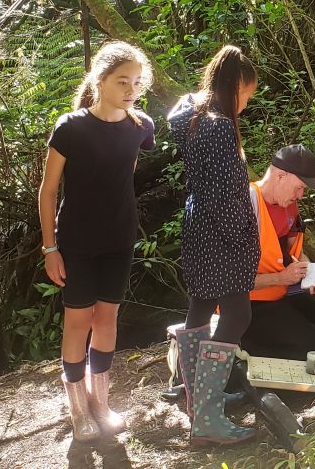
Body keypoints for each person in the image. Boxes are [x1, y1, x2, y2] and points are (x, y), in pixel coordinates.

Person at [38, 42, 155, 442]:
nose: (131, 90)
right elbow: (48, 190)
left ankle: (100, 402)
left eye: (137, 82)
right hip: (77, 242)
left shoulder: (141, 127)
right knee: (77, 322)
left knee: (107, 320)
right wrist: (50, 248)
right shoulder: (70, 127)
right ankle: (77, 409)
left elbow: (123, 178)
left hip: (120, 239)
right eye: (122, 81)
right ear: (99, 80)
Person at [167, 44, 260, 444]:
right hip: (221, 234)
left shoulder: (190, 115)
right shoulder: (220, 127)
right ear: (235, 85)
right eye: (246, 96)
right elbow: (225, 196)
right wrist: (246, 239)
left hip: (197, 226)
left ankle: (198, 401)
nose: (245, 105)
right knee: (237, 316)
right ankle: (207, 418)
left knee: (201, 308)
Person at [240, 144, 315, 360]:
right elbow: (230, 279)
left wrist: (314, 276)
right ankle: (240, 347)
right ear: (281, 175)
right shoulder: (245, 205)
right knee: (314, 350)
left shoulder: (290, 206)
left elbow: (296, 252)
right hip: (249, 302)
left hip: (284, 292)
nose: (300, 195)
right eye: (299, 187)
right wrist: (281, 277)